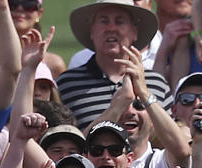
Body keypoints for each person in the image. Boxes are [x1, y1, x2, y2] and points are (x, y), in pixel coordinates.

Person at [57, 0, 170, 131]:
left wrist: (144, 94)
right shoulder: (67, 84)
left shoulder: (157, 83)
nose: (111, 28)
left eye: (119, 21)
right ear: (92, 31)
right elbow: (64, 147)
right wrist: (116, 108)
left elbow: (178, 147)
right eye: (104, 21)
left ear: (134, 32)